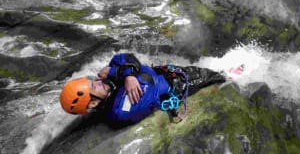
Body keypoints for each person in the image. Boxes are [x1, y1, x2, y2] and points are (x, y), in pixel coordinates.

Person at [59, 53, 225, 125]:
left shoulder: (107, 89)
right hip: (178, 83)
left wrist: (125, 73)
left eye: (92, 81)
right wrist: (119, 72)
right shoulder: (121, 109)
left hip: (166, 72)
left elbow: (124, 57)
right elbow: (147, 79)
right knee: (220, 78)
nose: (97, 80)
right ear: (94, 103)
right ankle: (227, 77)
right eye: (94, 86)